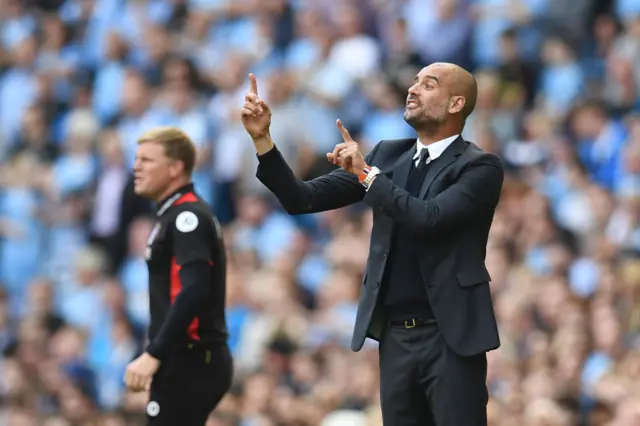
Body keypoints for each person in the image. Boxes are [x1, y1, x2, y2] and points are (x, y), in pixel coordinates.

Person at [240, 63, 504, 426]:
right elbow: (302, 199)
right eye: (414, 82)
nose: (413, 90)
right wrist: (263, 141)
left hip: (450, 337)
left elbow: (429, 217)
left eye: (428, 85)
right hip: (395, 338)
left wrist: (365, 174)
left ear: (456, 103)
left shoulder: (480, 167)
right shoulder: (386, 155)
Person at [123, 126, 233, 425]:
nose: (136, 166)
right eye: (136, 158)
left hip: (192, 358)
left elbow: (195, 289)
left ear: (175, 167)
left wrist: (154, 353)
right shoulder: (172, 215)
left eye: (146, 160)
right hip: (186, 358)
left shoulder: (188, 218)